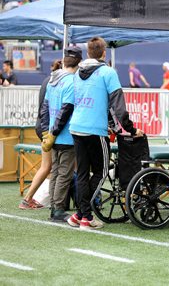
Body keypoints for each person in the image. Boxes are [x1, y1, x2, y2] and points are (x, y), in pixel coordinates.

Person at [67, 37, 143, 229]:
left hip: (76, 127)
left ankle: (79, 215)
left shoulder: (77, 73)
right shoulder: (108, 72)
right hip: (94, 129)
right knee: (100, 172)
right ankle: (85, 216)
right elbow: (118, 106)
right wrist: (130, 129)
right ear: (104, 53)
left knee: (83, 173)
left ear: (88, 53)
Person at [39, 47, 81, 222]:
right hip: (65, 135)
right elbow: (66, 110)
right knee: (64, 173)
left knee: (55, 172)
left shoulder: (52, 80)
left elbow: (45, 108)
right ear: (78, 63)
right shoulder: (72, 82)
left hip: (51, 134)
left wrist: (46, 132)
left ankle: (54, 207)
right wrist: (55, 133)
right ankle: (57, 209)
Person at [18, 60, 62, 210]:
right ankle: (28, 198)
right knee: (48, 166)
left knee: (47, 166)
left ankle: (30, 198)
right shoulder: (59, 83)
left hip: (41, 125)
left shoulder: (47, 80)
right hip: (48, 127)